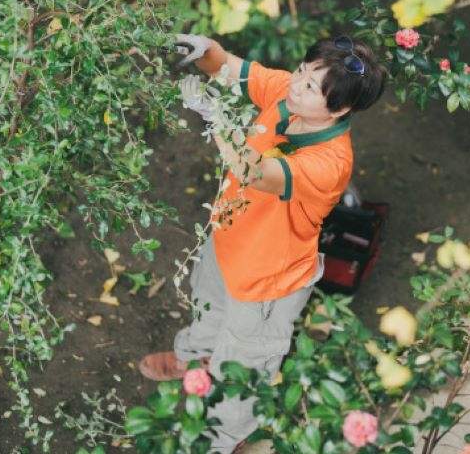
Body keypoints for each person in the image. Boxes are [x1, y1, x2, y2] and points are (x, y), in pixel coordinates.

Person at [139, 33, 385, 453]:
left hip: (267, 282)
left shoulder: (330, 162)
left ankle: (225, 438)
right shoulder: (289, 96)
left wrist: (216, 117)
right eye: (302, 70)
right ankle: (194, 360)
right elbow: (231, 68)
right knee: (207, 305)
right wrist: (204, 51)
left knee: (242, 368)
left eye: (310, 86)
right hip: (230, 239)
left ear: (339, 108)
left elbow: (255, 172)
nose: (296, 83)